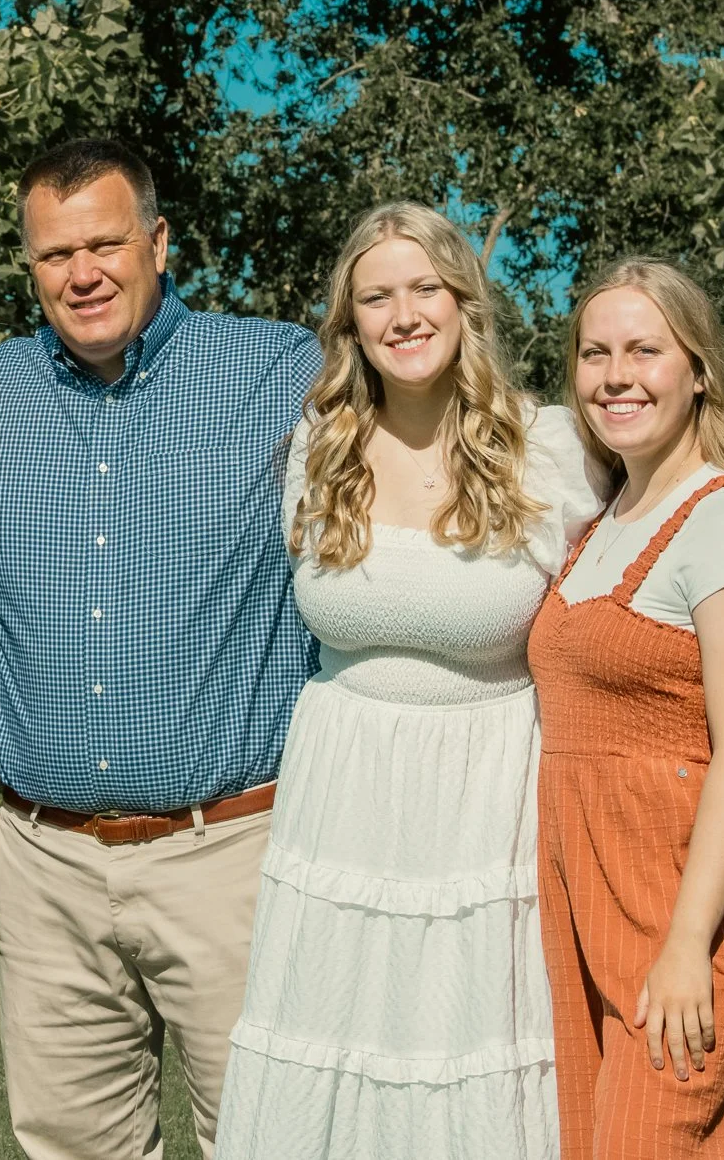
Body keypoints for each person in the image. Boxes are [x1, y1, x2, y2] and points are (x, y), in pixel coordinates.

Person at [217, 203, 605, 1159]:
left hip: (488, 804)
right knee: (334, 1057)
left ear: (464, 301)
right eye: (375, 297)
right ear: (350, 326)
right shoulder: (318, 450)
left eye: (424, 287)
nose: (403, 314)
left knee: (464, 1055)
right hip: (342, 794)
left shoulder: (551, 448)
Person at [0, 138, 321, 1159]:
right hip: (43, 865)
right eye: (52, 254)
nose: (81, 273)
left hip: (230, 854)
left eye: (104, 242)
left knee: (265, 1139)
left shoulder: (279, 366)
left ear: (158, 242)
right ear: (28, 267)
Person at [528, 258, 724, 1158]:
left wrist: (688, 945)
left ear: (698, 370)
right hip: (590, 893)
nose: (617, 374)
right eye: (596, 352)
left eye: (646, 350)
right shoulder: (609, 516)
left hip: (691, 902)